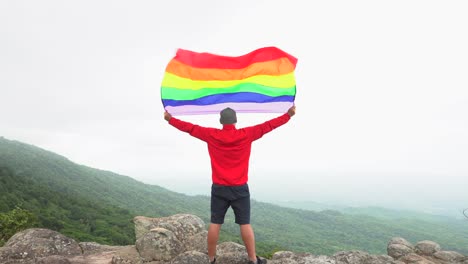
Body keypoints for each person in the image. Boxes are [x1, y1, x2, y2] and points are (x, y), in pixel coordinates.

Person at [164, 105, 296, 264]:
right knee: (244, 223)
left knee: (215, 223)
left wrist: (170, 119)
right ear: (235, 121)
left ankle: (211, 259)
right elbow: (268, 125)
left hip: (219, 187)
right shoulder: (246, 134)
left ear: (221, 121)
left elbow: (190, 128)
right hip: (240, 188)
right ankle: (253, 260)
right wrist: (288, 115)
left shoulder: (211, 134)